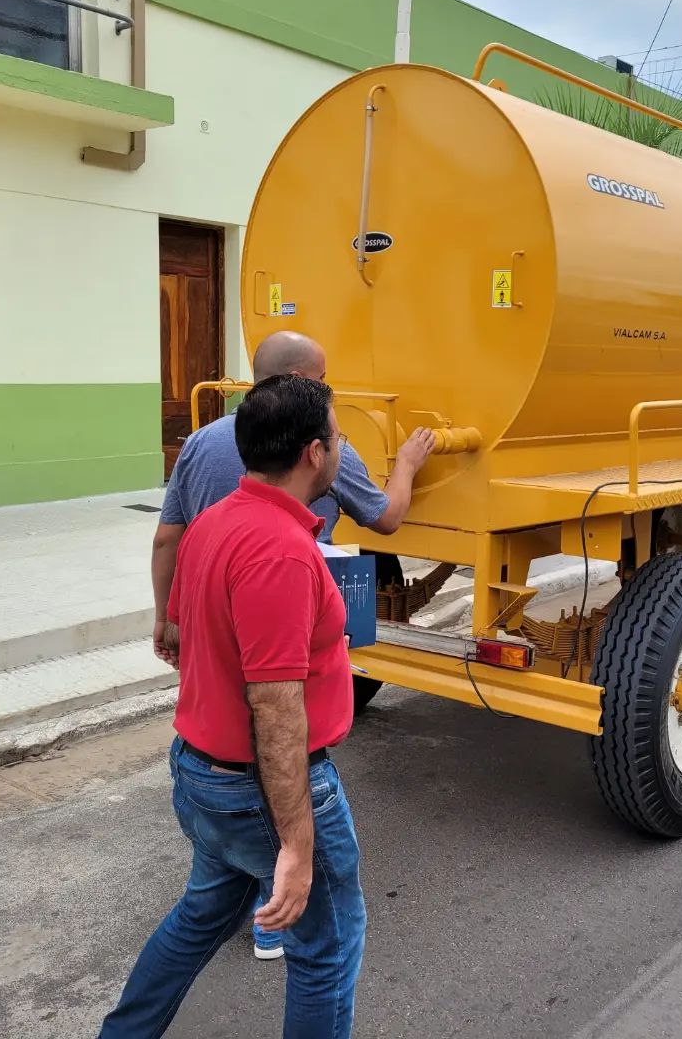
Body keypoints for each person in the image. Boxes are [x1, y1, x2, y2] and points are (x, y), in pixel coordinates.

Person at [152, 329, 433, 961]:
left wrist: (167, 617)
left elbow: (168, 536)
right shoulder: (290, 527)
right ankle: (273, 916)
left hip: (207, 631)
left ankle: (248, 896)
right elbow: (386, 517)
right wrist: (408, 465)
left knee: (206, 881)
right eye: (323, 382)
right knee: (270, 758)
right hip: (278, 619)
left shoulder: (203, 447)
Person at [101, 375, 366, 1039]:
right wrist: (297, 844)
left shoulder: (213, 523)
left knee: (199, 919)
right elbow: (275, 708)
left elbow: (191, 638)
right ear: (314, 453)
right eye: (338, 437)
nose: (341, 448)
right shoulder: (281, 552)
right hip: (256, 791)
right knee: (326, 950)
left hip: (203, 773)